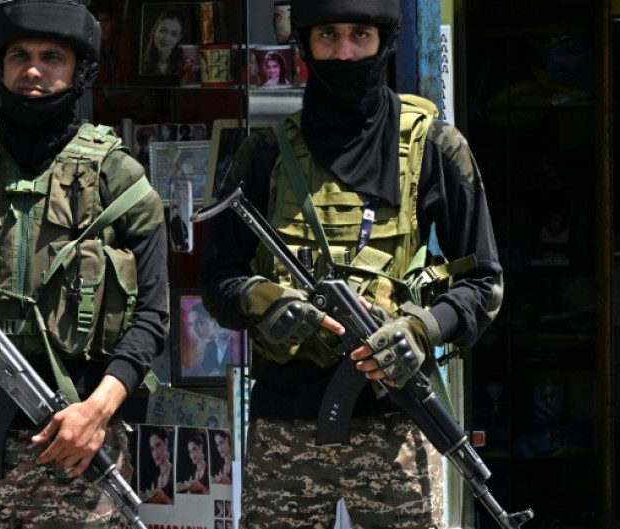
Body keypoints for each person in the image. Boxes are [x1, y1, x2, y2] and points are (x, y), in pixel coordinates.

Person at [198, 0, 503, 527]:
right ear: (305, 44)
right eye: (328, 36)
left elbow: (483, 283)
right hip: (285, 428)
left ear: (384, 42)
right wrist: (264, 301)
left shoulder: (433, 146)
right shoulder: (266, 154)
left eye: (360, 35)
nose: (343, 52)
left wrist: (420, 329)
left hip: (396, 426)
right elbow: (218, 277)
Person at [0, 1, 170, 527]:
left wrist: (98, 410)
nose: (34, 70)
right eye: (19, 55)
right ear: (0, 67)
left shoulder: (120, 177)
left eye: (52, 57)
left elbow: (153, 317)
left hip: (77, 443)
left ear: (80, 70)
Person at [140, 9, 185, 76]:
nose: (166, 38)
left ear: (179, 38)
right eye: (162, 31)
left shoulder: (184, 66)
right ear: (155, 31)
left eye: (174, 34)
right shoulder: (140, 63)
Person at [141, 426, 174, 505]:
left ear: (166, 443)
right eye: (152, 449)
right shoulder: (154, 481)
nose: (155, 453)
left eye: (158, 445)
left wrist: (165, 499)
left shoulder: (175, 474)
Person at [175, 429, 209, 494]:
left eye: (194, 449)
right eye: (190, 452)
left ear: (201, 447)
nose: (192, 455)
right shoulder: (193, 475)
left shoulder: (209, 470)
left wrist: (201, 487)